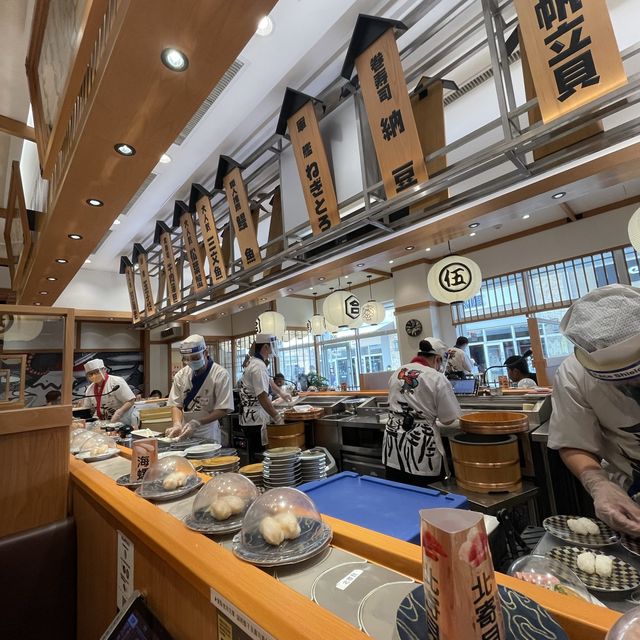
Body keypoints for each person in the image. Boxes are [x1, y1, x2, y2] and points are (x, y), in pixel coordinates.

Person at [549, 284, 640, 537]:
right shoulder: (573, 375)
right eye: (620, 382)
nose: (632, 386)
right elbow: (574, 441)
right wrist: (599, 484)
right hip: (631, 496)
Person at [384, 338, 461, 487]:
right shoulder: (436, 377)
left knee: (397, 490)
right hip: (422, 443)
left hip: (394, 441)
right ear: (437, 359)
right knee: (426, 493)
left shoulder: (397, 372)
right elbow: (448, 419)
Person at [166, 334, 233, 441]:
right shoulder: (181, 375)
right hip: (184, 429)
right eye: (187, 359)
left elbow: (223, 408)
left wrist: (198, 422)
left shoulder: (220, 374)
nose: (191, 362)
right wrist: (177, 424)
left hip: (208, 430)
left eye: (195, 358)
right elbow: (176, 404)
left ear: (206, 353)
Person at [239, 333, 284, 462]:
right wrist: (277, 417)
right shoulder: (259, 366)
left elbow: (268, 381)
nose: (273, 350)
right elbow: (263, 397)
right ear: (265, 347)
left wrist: (281, 392)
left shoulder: (255, 362)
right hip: (256, 421)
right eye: (272, 346)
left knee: (256, 455)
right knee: (260, 458)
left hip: (250, 419)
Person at [82, 358, 136, 423]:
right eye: (90, 374)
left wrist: (119, 412)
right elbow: (88, 409)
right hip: (102, 422)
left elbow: (131, 400)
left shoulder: (116, 382)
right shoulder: (90, 389)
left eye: (96, 372)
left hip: (121, 420)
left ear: (104, 370)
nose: (94, 376)